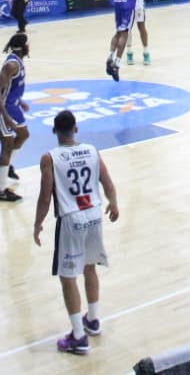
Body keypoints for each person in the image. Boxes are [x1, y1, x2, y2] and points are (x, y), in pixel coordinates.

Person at [33, 110, 120, 356]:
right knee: (89, 267)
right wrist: (113, 202)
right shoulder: (92, 150)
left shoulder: (49, 158)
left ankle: (78, 337)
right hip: (94, 213)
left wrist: (37, 223)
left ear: (54, 131)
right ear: (76, 128)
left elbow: (45, 196)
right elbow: (108, 183)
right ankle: (92, 320)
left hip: (71, 219)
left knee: (67, 277)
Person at [0, 33, 31, 203]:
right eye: (28, 44)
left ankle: (5, 167)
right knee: (6, 147)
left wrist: (19, 101)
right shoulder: (12, 65)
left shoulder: (18, 61)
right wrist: (5, 116)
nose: (30, 46)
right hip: (4, 108)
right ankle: (1, 191)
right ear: (23, 47)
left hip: (13, 105)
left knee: (23, 135)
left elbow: (10, 86)